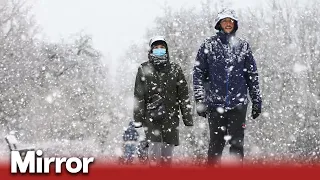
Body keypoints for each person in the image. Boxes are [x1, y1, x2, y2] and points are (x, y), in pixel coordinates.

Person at [193, 9, 262, 166]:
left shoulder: (243, 46)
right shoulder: (208, 45)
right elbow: (198, 74)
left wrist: (257, 100)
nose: (228, 23)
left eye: (231, 21)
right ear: (219, 24)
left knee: (237, 145)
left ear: (235, 24)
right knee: (216, 145)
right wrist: (199, 99)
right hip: (215, 104)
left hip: (238, 104)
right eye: (225, 21)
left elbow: (252, 75)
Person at [133, 36, 193, 167]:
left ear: (166, 50)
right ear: (151, 51)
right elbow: (139, 96)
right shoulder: (143, 69)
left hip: (171, 118)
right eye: (156, 48)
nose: (159, 50)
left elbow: (183, 95)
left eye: (162, 47)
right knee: (154, 152)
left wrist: (187, 117)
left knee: (167, 156)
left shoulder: (175, 69)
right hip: (151, 117)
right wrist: (138, 119)